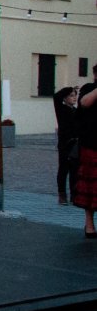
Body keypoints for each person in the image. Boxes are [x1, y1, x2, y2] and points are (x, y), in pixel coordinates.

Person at [75, 80, 97, 238]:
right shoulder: (89, 89)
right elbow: (84, 103)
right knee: (90, 188)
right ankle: (89, 225)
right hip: (91, 144)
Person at [55, 86, 80, 205]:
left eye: (75, 95)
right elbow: (56, 96)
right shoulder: (61, 109)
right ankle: (62, 195)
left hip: (75, 144)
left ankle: (74, 195)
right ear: (65, 98)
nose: (74, 98)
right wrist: (69, 88)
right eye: (71, 95)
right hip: (65, 144)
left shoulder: (76, 111)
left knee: (74, 170)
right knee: (63, 169)